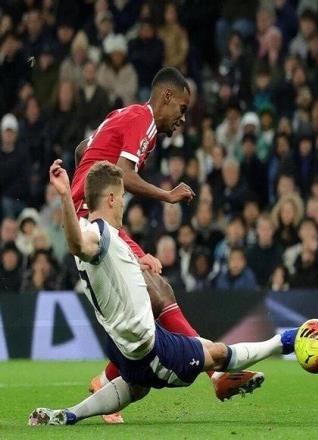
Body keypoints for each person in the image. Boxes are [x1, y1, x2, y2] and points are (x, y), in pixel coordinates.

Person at [28, 160, 297, 427]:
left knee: (137, 387)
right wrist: (65, 195)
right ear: (110, 198)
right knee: (216, 355)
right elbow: (77, 244)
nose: (123, 204)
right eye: (121, 197)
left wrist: (138, 261)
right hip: (148, 349)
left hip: (120, 344)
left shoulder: (101, 233)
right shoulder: (97, 234)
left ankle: (70, 414)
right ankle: (284, 341)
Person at [71, 67, 260, 422]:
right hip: (93, 223)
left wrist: (88, 171)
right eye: (182, 109)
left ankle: (110, 380)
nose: (183, 119)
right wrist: (168, 195)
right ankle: (213, 372)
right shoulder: (143, 119)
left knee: (158, 290)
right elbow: (123, 174)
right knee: (153, 291)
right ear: (166, 97)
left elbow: (85, 148)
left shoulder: (126, 117)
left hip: (97, 219)